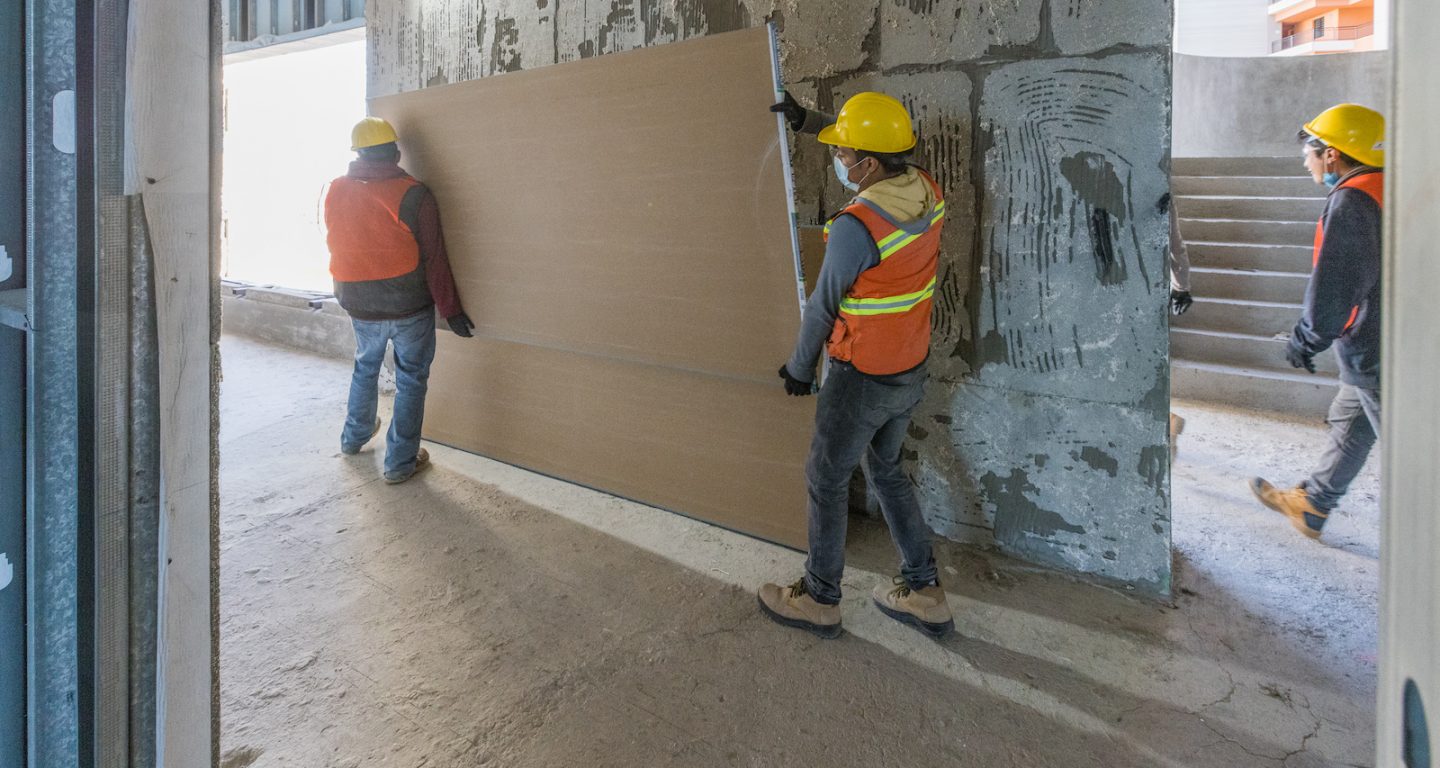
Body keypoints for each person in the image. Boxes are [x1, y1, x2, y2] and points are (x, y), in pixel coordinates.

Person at [757, 91, 952, 639]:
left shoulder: (857, 225)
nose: (839, 161)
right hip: (908, 368)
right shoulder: (926, 191)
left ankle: (820, 598)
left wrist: (799, 368)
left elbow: (823, 306)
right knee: (886, 470)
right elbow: (877, 143)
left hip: (861, 375)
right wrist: (811, 122)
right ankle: (925, 590)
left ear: (866, 164)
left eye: (843, 154)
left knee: (825, 477)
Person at [1249, 104, 1385, 540]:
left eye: (1308, 151)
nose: (1305, 161)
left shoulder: (1353, 200)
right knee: (1350, 419)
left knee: (1414, 457)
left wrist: (1306, 338)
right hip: (1389, 339)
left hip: (1379, 348)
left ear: (1332, 154)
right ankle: (1314, 504)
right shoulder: (1388, 187)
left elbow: (1338, 284)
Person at [324, 116, 475, 484]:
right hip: (408, 305)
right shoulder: (415, 194)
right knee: (411, 379)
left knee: (365, 365)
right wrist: (451, 310)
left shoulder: (336, 188)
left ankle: (354, 437)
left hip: (357, 301)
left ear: (358, 153)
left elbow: (338, 237)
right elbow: (435, 258)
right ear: (394, 152)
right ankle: (400, 463)